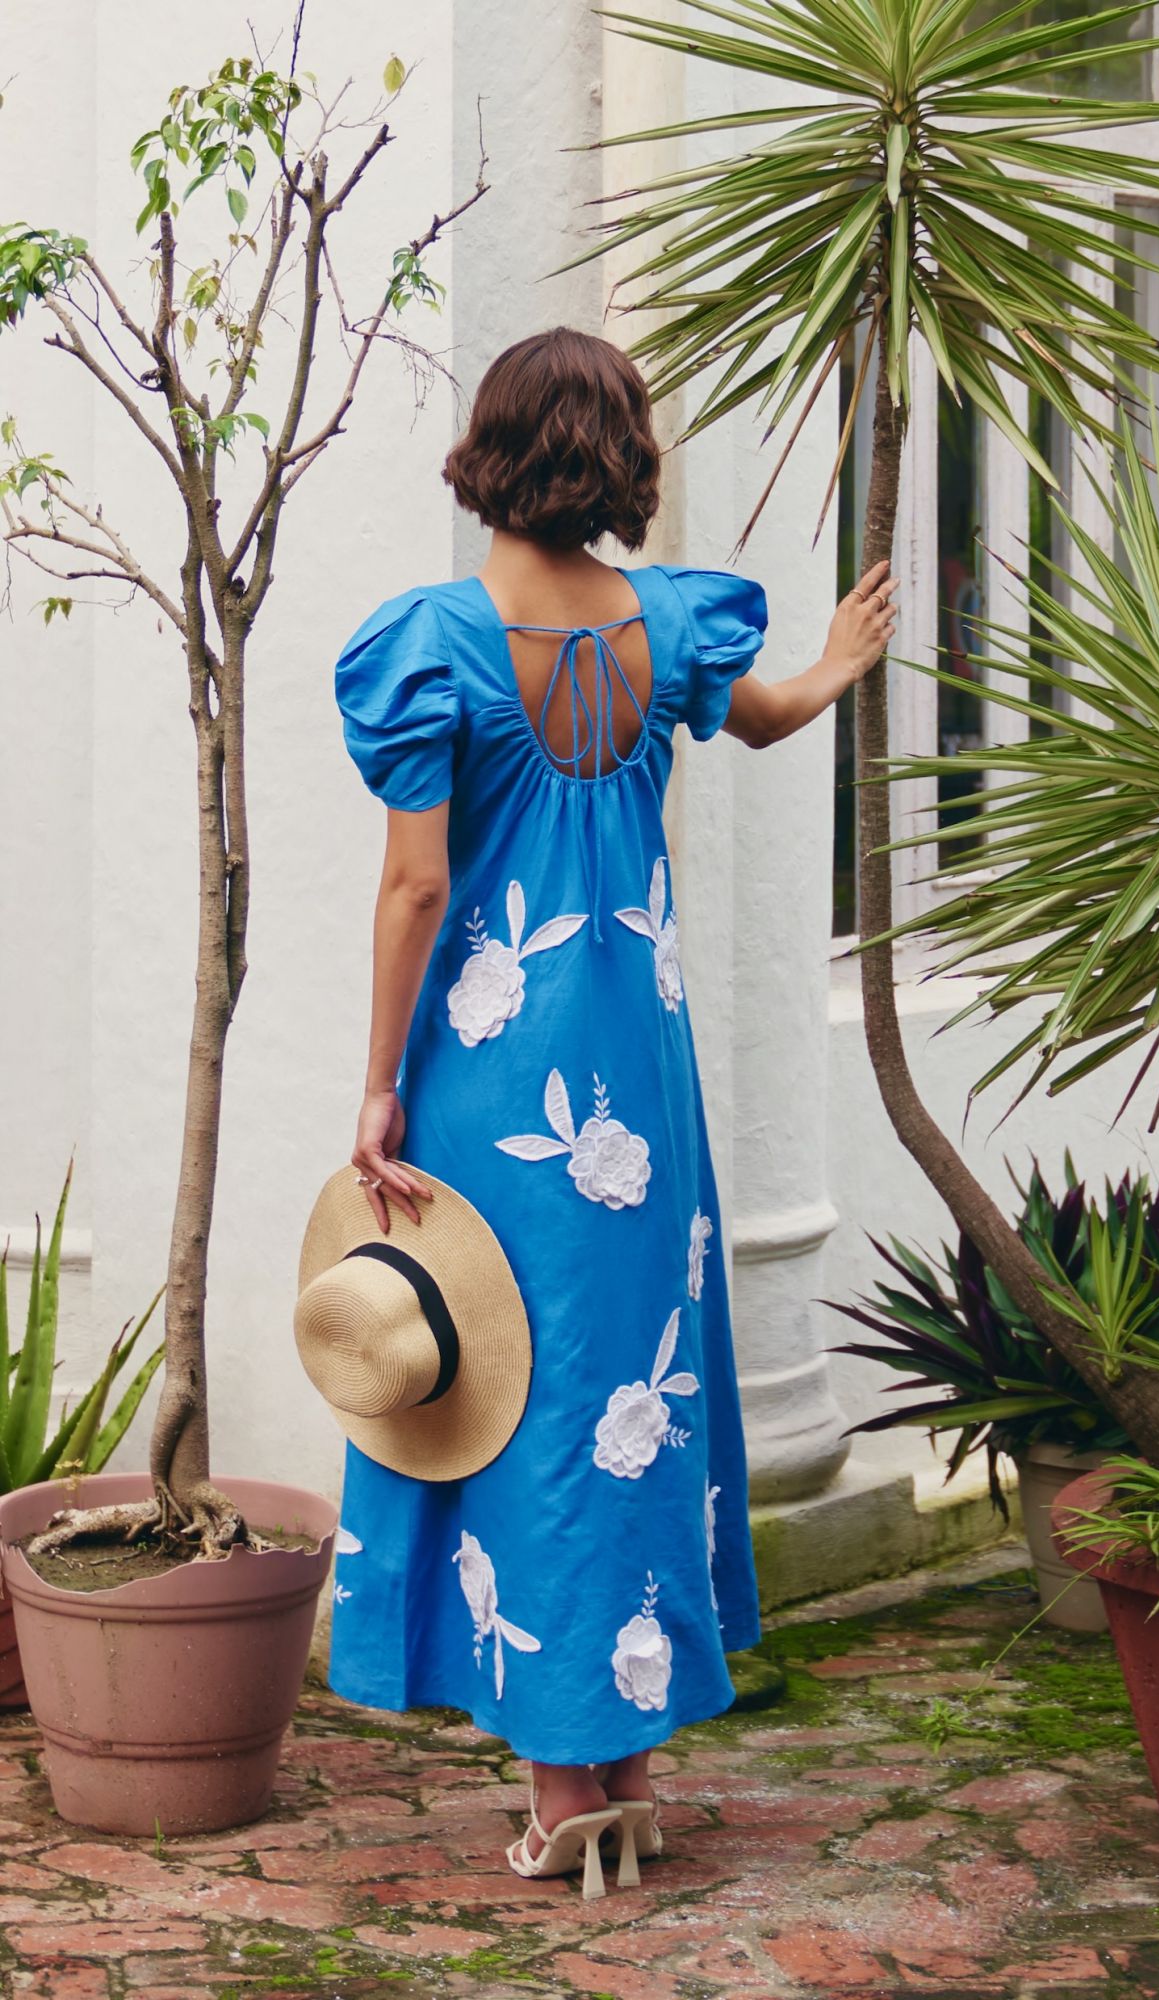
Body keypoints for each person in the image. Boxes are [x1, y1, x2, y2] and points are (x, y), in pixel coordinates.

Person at [330, 325, 898, 1892]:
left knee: (507, 1398)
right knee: (628, 1400)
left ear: (492, 452)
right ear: (618, 459)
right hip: (638, 1082)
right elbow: (768, 714)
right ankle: (625, 1772)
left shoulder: (434, 641)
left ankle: (565, 1796)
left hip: (494, 1074)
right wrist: (837, 667)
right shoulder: (668, 627)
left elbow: (417, 882)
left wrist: (378, 1083)